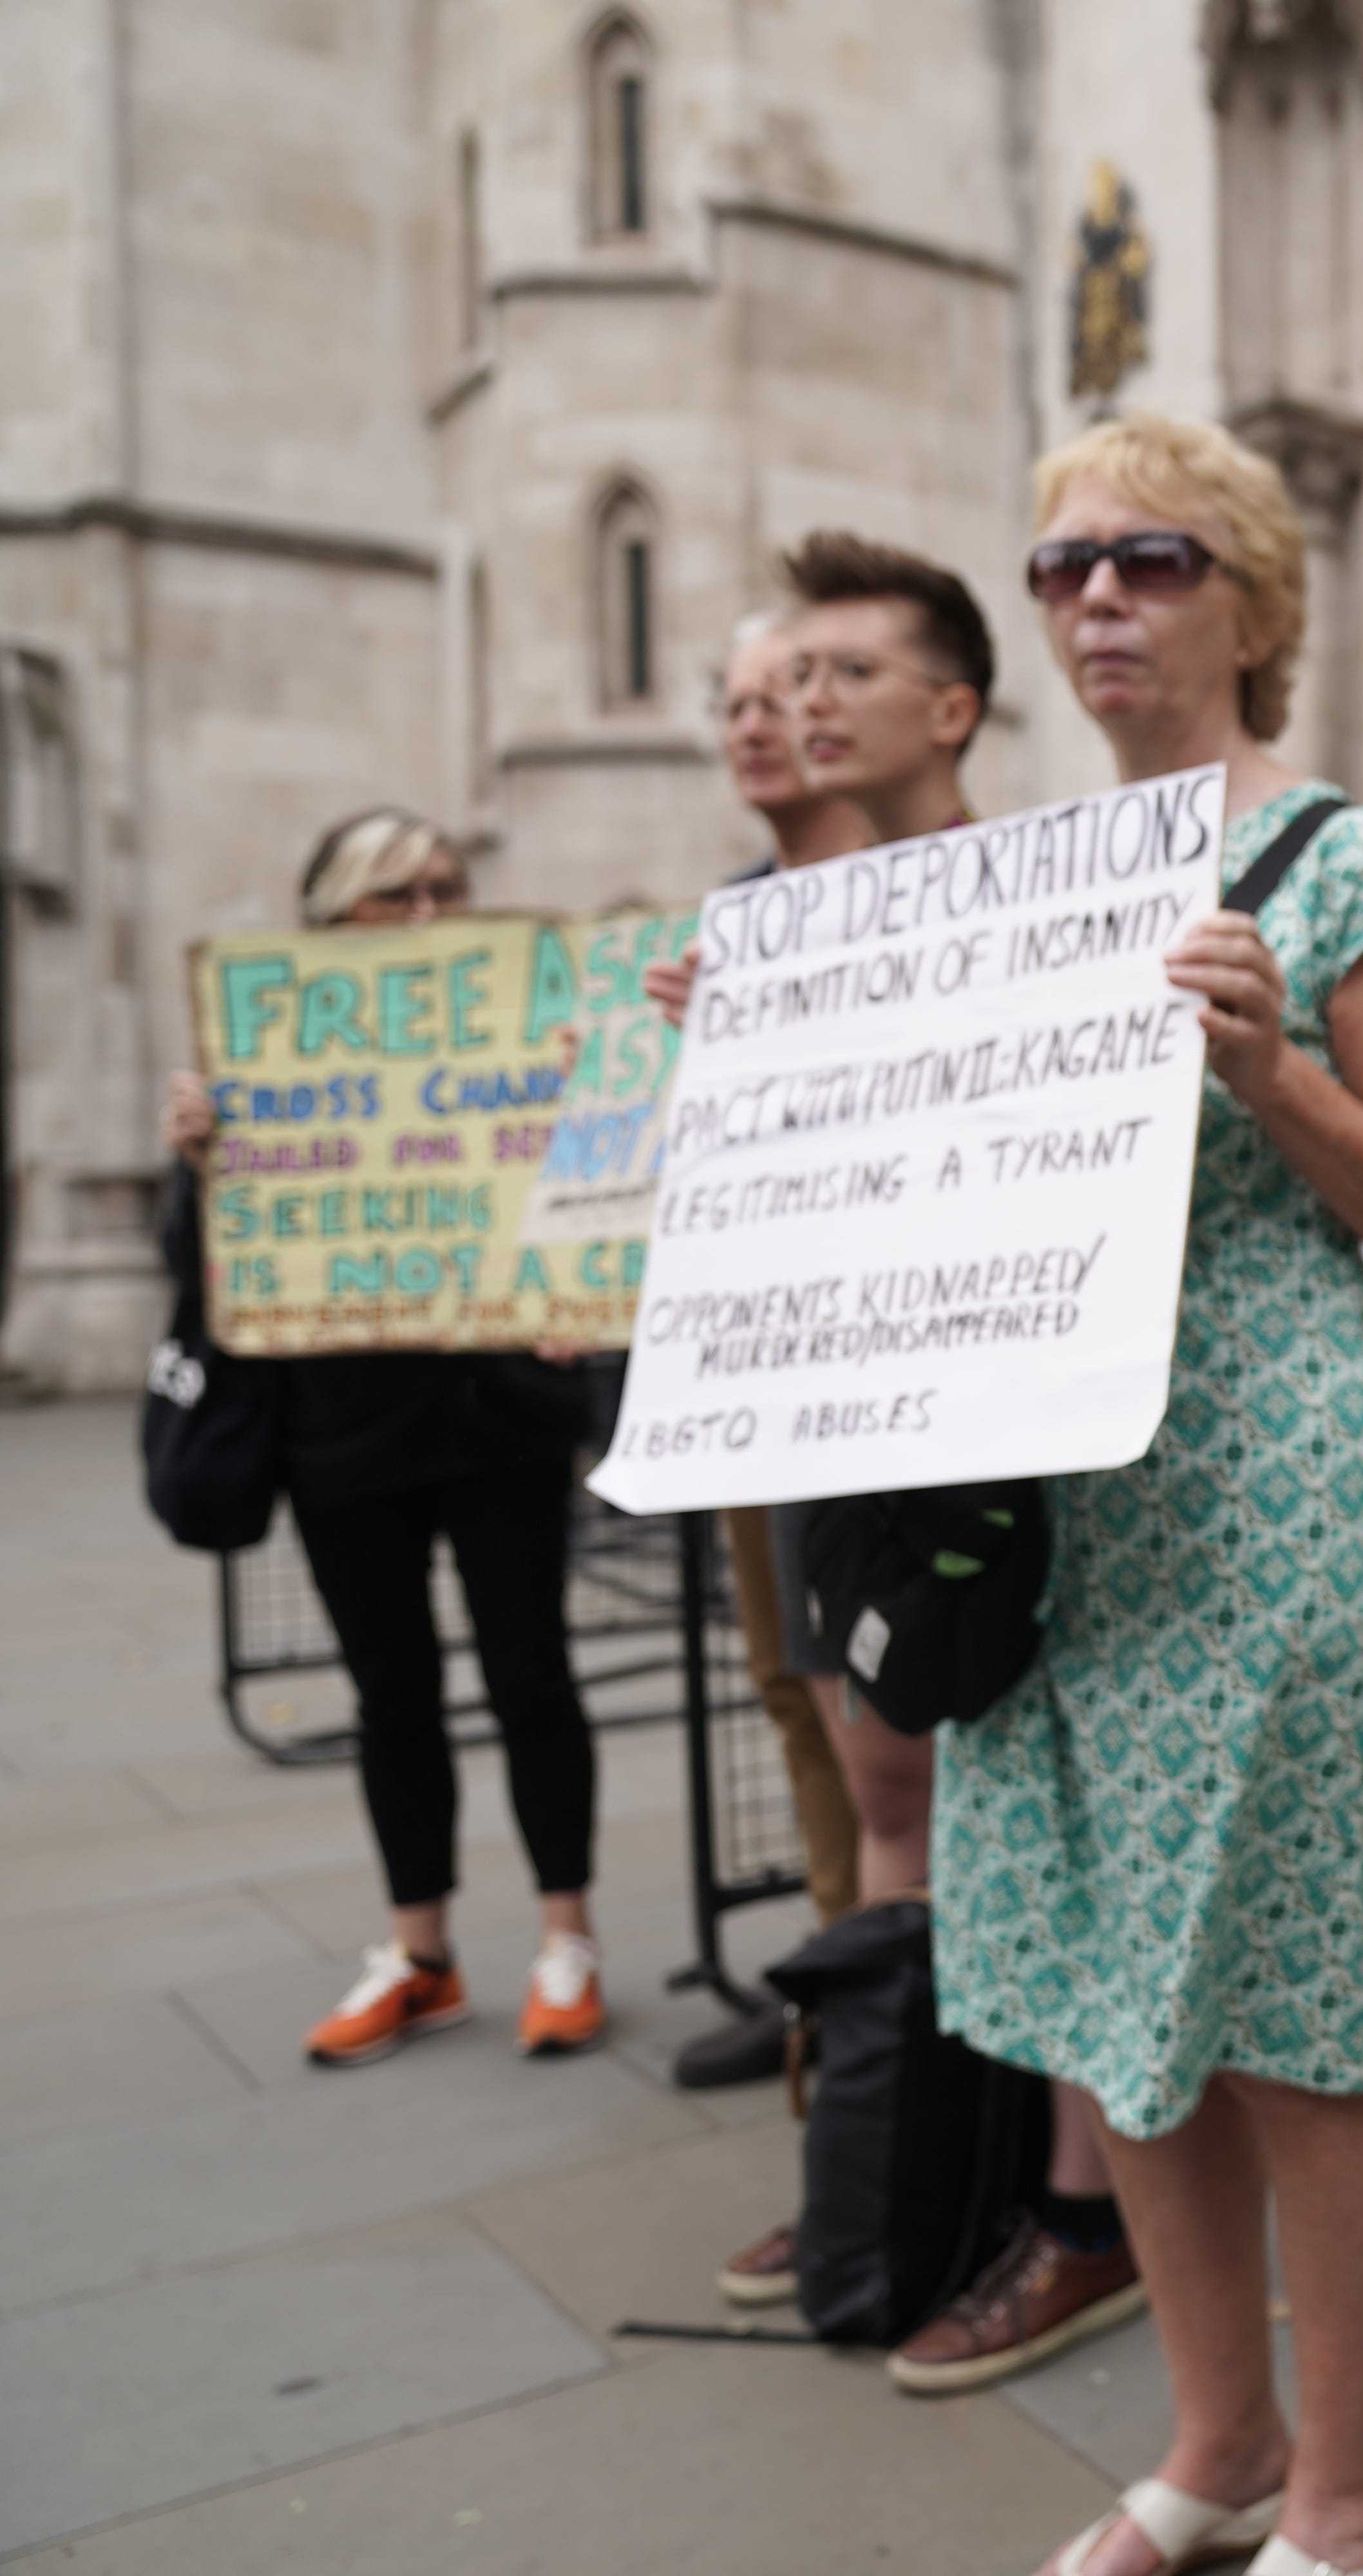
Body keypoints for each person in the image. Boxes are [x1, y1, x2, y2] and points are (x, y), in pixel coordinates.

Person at [945, 410, 1363, 2576]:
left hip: (1253, 1484)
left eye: (1152, 558)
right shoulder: (1015, 881)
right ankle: (1220, 2443)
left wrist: (1269, 1075)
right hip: (1055, 1494)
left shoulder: (1348, 860)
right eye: (1063, 562)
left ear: (1255, 603)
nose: (1097, 597)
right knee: (1110, 1990)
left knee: (1284, 1997)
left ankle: (1353, 2497)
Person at [654, 545, 1139, 2379]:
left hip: (1019, 1433)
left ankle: (1078, 2207)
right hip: (835, 1426)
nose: (798, 703)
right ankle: (896, 2164)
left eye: (844, 669)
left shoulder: (1055, 894)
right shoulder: (755, 927)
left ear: (951, 708)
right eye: (783, 678)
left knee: (1040, 1803)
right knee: (881, 1790)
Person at [163, 812, 609, 2067]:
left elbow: (587, 1208)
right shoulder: (267, 1065)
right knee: (391, 1692)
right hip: (342, 1430)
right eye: (395, 896)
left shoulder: (524, 1035)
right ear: (332, 922)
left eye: (448, 890)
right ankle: (422, 1950)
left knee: (532, 1673)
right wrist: (201, 1165)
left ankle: (565, 1938)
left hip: (499, 1414)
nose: (429, 914)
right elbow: (196, 1272)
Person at [667, 616, 870, 2092]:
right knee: (789, 1679)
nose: (755, 726)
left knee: (883, 1706)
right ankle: (832, 1986)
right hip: (755, 1363)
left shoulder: (923, 886)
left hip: (884, 1370)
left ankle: (895, 2025)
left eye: (785, 695)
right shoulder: (728, 918)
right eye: (733, 705)